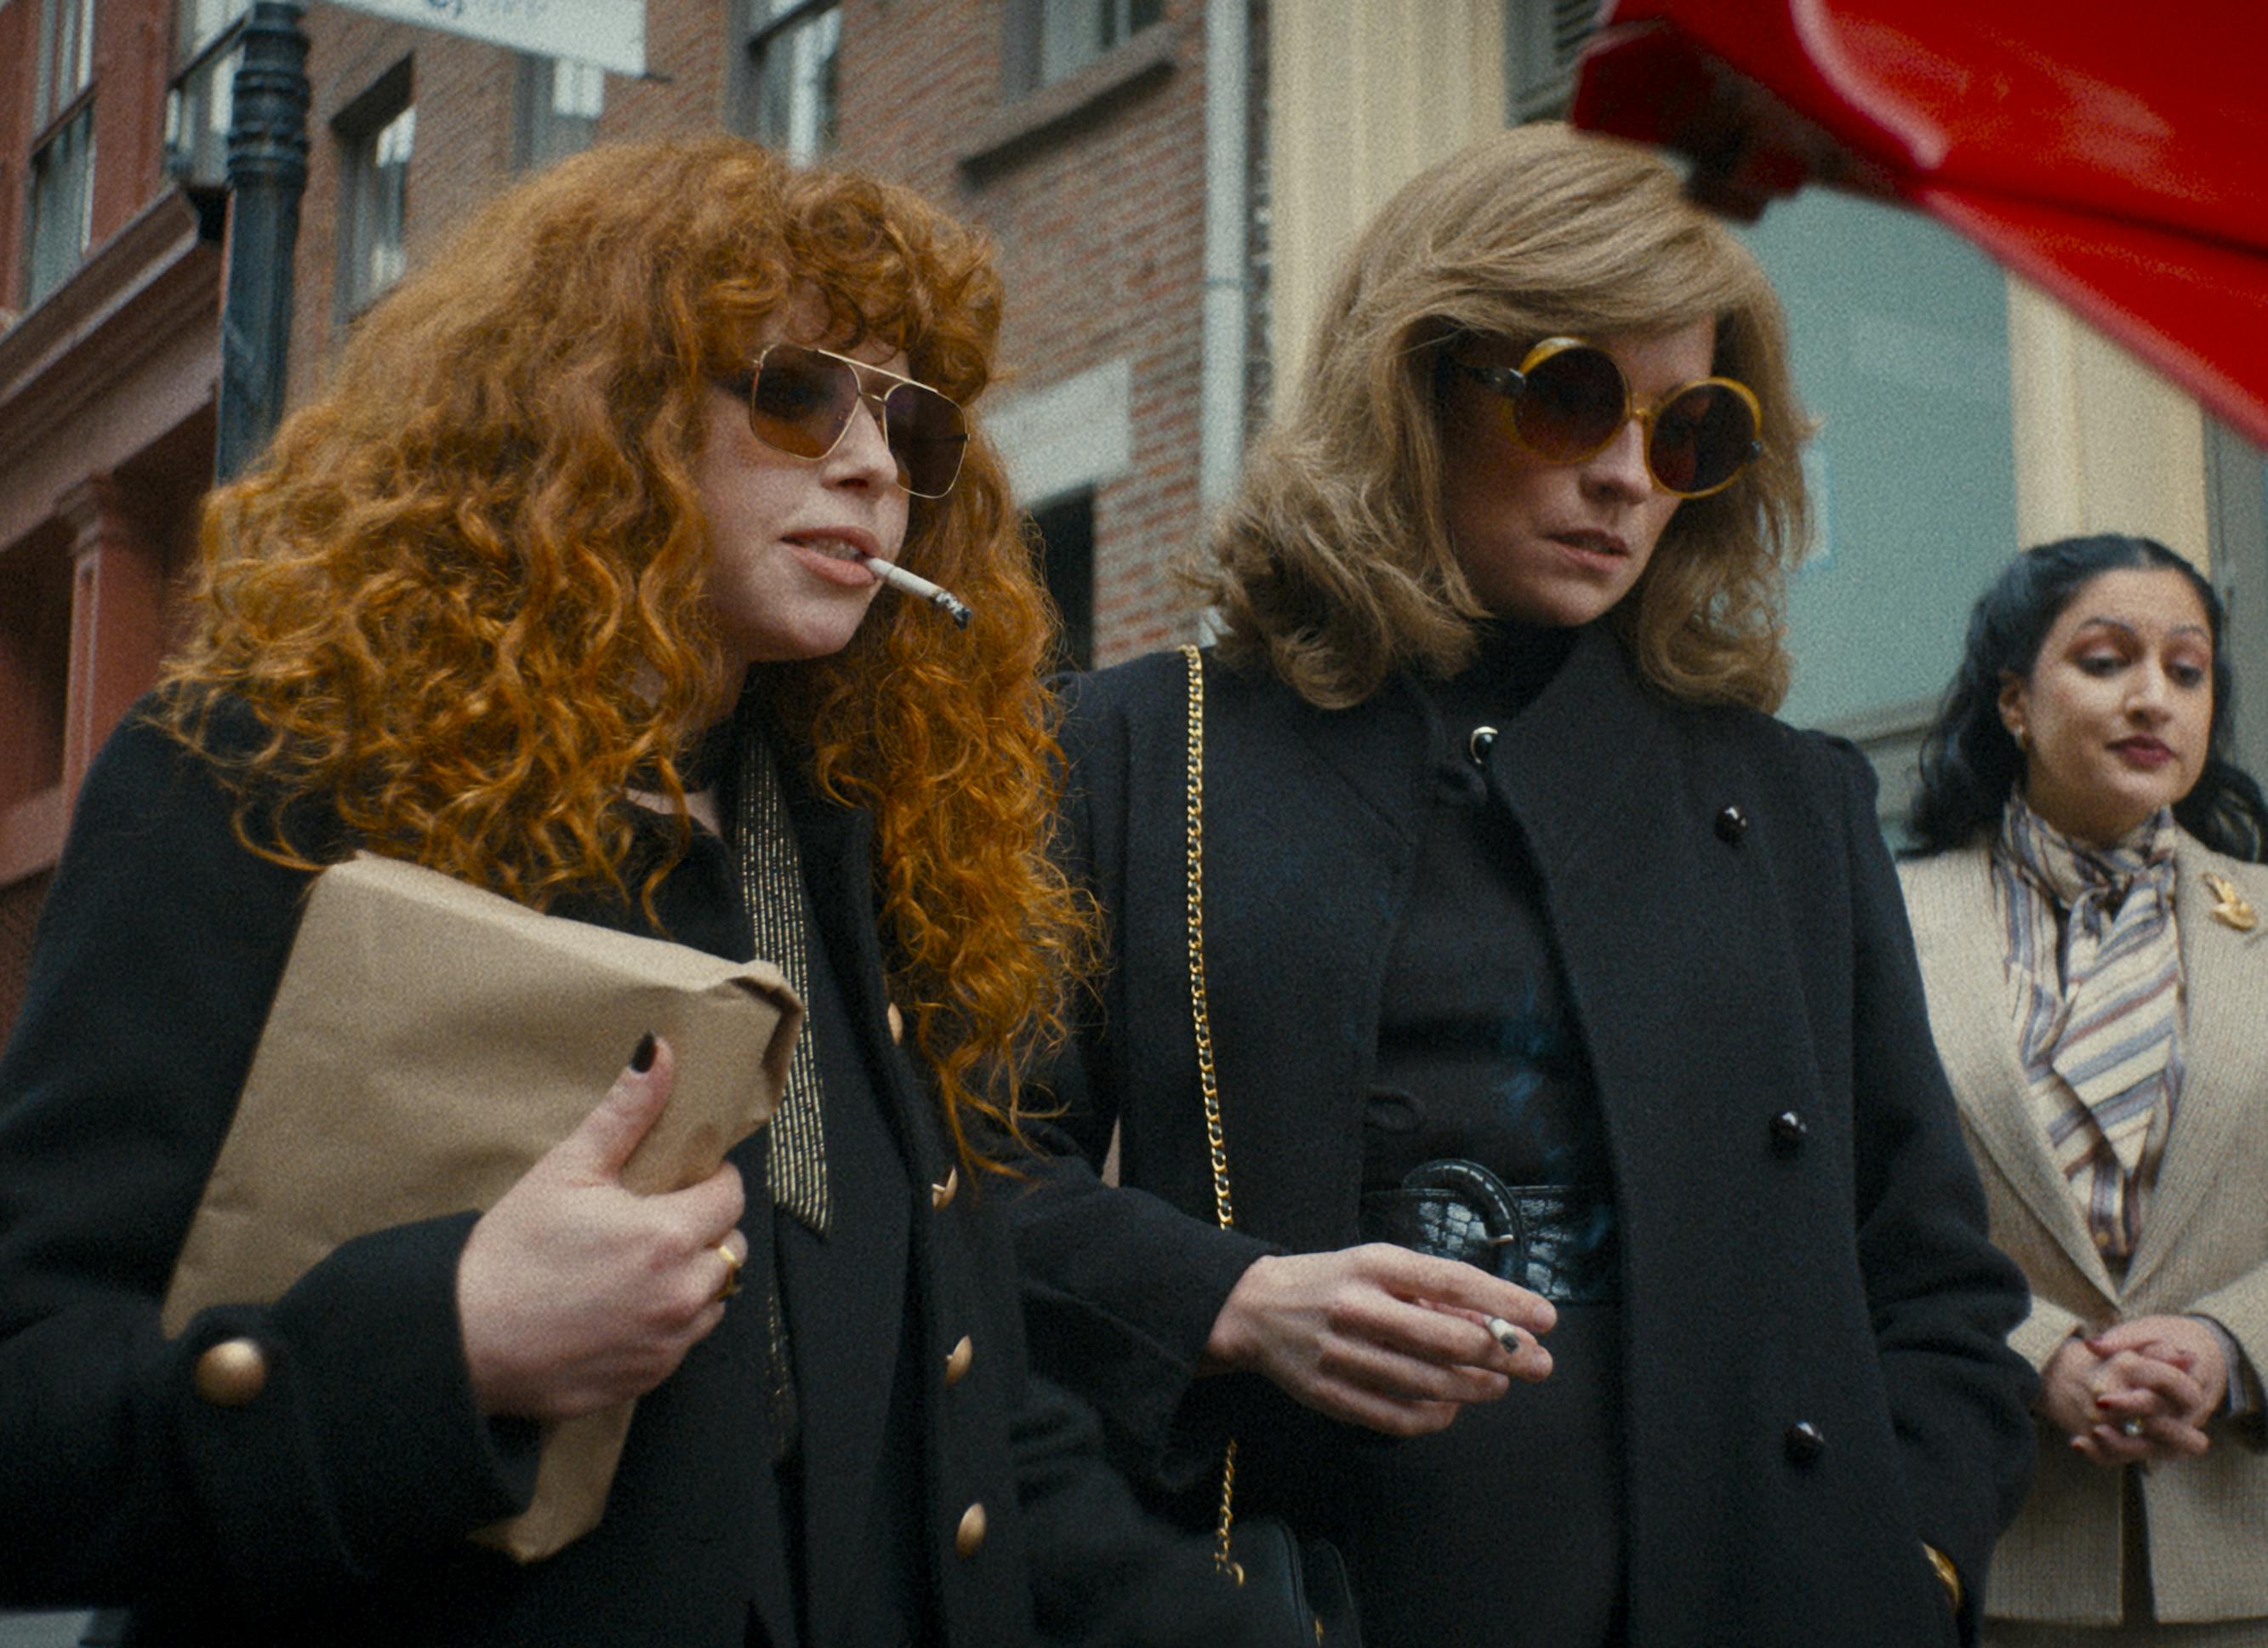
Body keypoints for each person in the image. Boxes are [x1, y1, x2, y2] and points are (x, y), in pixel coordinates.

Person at [0, 138, 1290, 1647]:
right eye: (800, 392)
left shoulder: (842, 841)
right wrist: (452, 1342)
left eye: (913, 425)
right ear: (598, 410)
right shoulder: (271, 782)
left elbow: (958, 1437)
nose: (875, 465)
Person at [1010, 122, 2037, 1648]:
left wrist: (1904, 1565)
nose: (1627, 477)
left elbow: (1937, 1285)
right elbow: (964, 1186)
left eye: (1687, 433)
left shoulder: (1791, 800)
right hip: (1288, 1591)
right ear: (1411, 391)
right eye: (1571, 401)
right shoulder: (1142, 753)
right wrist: (1221, 1300)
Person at [1900, 534, 2268, 1645]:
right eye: (2104, 661)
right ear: (2014, 701)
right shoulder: (1874, 920)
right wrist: (2029, 1352)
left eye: (2185, 669)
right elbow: (1825, 1202)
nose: (2152, 697)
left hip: (2243, 1549)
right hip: (1981, 1545)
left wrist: (2225, 1348)